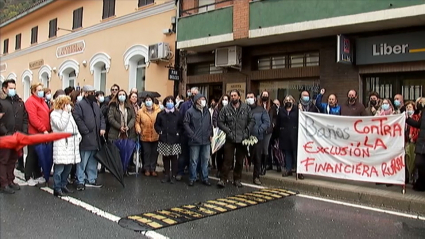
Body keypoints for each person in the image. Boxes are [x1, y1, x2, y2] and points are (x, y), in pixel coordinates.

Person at [217, 90, 255, 188]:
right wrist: (228, 131)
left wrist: (246, 132)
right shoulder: (225, 109)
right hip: (230, 138)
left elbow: (252, 120)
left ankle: (237, 179)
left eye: (235, 95)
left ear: (239, 97)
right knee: (227, 160)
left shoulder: (246, 108)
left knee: (239, 160)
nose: (233, 97)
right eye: (232, 96)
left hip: (242, 138)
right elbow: (220, 122)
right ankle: (223, 179)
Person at [73, 85, 106, 191]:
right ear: (86, 93)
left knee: (93, 160)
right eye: (91, 93)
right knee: (82, 160)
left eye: (93, 92)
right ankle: (80, 180)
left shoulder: (95, 105)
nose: (93, 95)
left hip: (96, 137)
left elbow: (101, 117)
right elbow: (77, 118)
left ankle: (91, 179)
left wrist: (102, 127)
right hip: (86, 137)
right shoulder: (79, 105)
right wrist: (85, 131)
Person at [0, 80, 28, 194]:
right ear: (4, 89)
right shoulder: (1, 102)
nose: (13, 90)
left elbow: (25, 118)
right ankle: (4, 183)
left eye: (14, 88)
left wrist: (24, 132)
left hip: (18, 136)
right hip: (6, 136)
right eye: (10, 88)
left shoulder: (19, 102)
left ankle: (11, 180)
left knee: (13, 159)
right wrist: (5, 132)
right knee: (4, 160)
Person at [50, 95, 81, 197]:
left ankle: (63, 184)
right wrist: (64, 113)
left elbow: (74, 126)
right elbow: (61, 126)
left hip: (71, 144)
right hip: (61, 144)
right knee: (59, 168)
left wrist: (78, 135)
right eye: (66, 103)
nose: (68, 106)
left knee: (68, 167)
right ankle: (57, 188)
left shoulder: (69, 114)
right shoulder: (54, 114)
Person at [24, 82, 51, 186]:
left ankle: (37, 174)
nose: (41, 92)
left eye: (41, 90)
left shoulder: (42, 101)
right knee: (32, 154)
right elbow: (33, 118)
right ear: (33, 91)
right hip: (34, 133)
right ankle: (28, 175)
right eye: (39, 90)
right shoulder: (30, 102)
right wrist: (43, 129)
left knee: (39, 155)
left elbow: (46, 114)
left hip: (43, 133)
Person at [183, 94, 213, 186]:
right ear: (196, 101)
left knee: (205, 160)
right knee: (193, 160)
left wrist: (211, 134)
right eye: (201, 99)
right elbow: (186, 124)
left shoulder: (207, 111)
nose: (203, 101)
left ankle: (205, 177)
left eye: (204, 99)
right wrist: (192, 135)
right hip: (194, 140)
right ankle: (192, 177)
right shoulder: (190, 112)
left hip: (206, 140)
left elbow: (209, 124)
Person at [155, 96, 183, 183]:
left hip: (175, 139)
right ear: (165, 103)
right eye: (168, 101)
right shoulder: (161, 114)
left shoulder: (178, 114)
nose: (170, 103)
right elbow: (156, 125)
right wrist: (160, 131)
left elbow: (181, 125)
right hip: (164, 139)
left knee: (174, 158)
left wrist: (178, 133)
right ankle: (166, 175)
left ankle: (174, 175)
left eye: (171, 101)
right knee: (165, 158)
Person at [277, 95, 304, 179]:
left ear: (293, 101)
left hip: (294, 134)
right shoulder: (281, 110)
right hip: (284, 134)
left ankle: (299, 171)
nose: (288, 101)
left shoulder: (297, 109)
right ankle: (288, 169)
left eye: (290, 100)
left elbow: (302, 119)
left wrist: (301, 110)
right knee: (287, 153)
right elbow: (279, 122)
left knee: (296, 153)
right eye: (286, 100)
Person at [246, 92, 270, 185]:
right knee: (246, 157)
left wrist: (259, 130)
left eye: (251, 97)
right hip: (245, 137)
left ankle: (256, 177)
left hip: (257, 137)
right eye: (248, 97)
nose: (249, 98)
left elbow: (266, 122)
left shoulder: (261, 110)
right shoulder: (243, 108)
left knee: (257, 158)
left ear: (255, 99)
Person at [176, 87, 199, 181]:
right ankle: (180, 172)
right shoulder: (185, 105)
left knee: (194, 156)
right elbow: (180, 119)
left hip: (197, 135)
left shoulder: (201, 105)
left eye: (195, 94)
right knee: (183, 155)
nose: (193, 95)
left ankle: (193, 173)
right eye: (192, 93)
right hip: (185, 134)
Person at [135, 95, 161, 176]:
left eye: (150, 100)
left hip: (155, 135)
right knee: (146, 153)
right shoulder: (140, 111)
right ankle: (146, 168)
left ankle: (153, 169)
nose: (148, 101)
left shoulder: (158, 110)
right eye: (147, 100)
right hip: (144, 135)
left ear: (153, 102)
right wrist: (138, 128)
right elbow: (137, 122)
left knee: (154, 153)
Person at [406, 102, 425, 191]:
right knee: (419, 163)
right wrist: (407, 119)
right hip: (422, 143)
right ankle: (421, 182)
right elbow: (418, 124)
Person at [259, 91, 277, 174]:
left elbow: (275, 117)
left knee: (265, 148)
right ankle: (259, 165)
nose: (265, 96)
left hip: (268, 131)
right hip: (259, 130)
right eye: (263, 95)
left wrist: (273, 124)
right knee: (260, 149)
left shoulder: (272, 107)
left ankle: (264, 167)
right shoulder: (258, 106)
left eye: (266, 95)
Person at [211, 94, 229, 174]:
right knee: (219, 152)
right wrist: (218, 127)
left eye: (226, 99)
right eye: (223, 99)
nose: (225, 101)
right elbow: (214, 119)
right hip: (220, 133)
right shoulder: (217, 108)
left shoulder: (231, 108)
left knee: (227, 153)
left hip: (228, 133)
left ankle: (225, 169)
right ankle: (219, 169)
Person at [405, 101, 420, 184]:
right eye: (407, 107)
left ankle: (415, 178)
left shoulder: (416, 117)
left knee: (414, 161)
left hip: (414, 141)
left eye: (410, 107)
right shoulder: (404, 117)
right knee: (407, 159)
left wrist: (413, 137)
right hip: (407, 141)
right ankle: (407, 177)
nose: (408, 109)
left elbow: (418, 129)